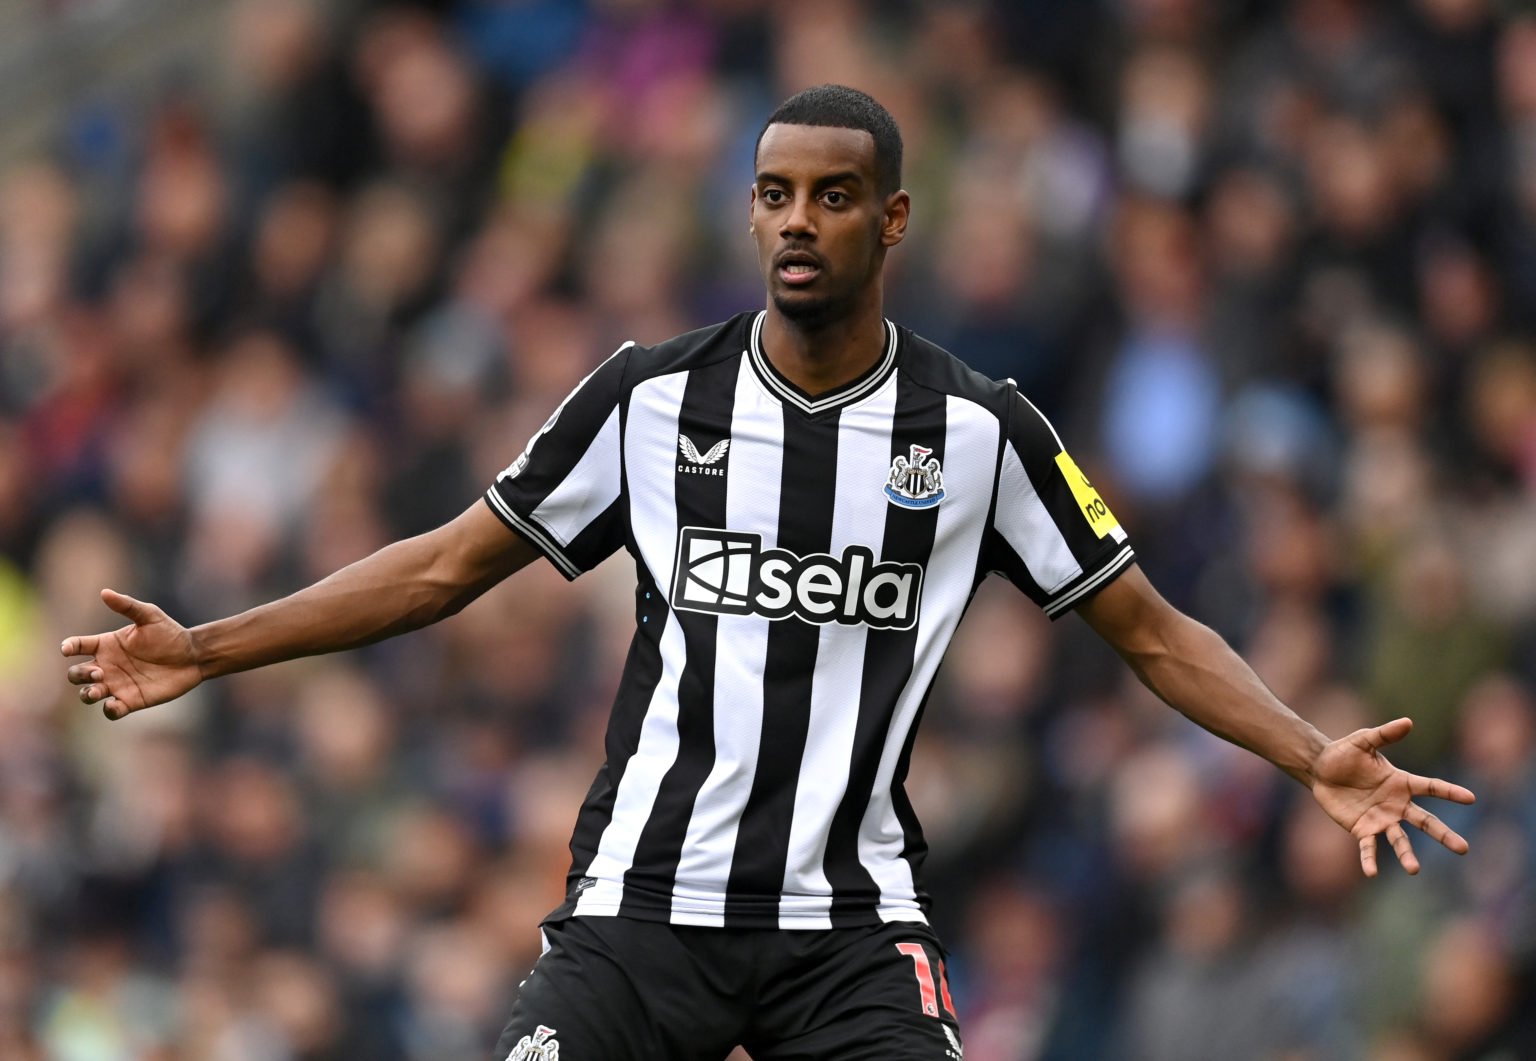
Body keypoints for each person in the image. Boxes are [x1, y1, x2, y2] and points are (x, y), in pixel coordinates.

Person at [63, 85, 1475, 1060]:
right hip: (641, 905)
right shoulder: (646, 402)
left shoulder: (981, 432)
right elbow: (443, 568)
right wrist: (210, 648)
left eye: (835, 196)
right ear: (748, 213)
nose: (799, 221)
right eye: (775, 195)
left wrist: (1305, 754)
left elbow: (1152, 631)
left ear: (896, 220)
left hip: (850, 924)